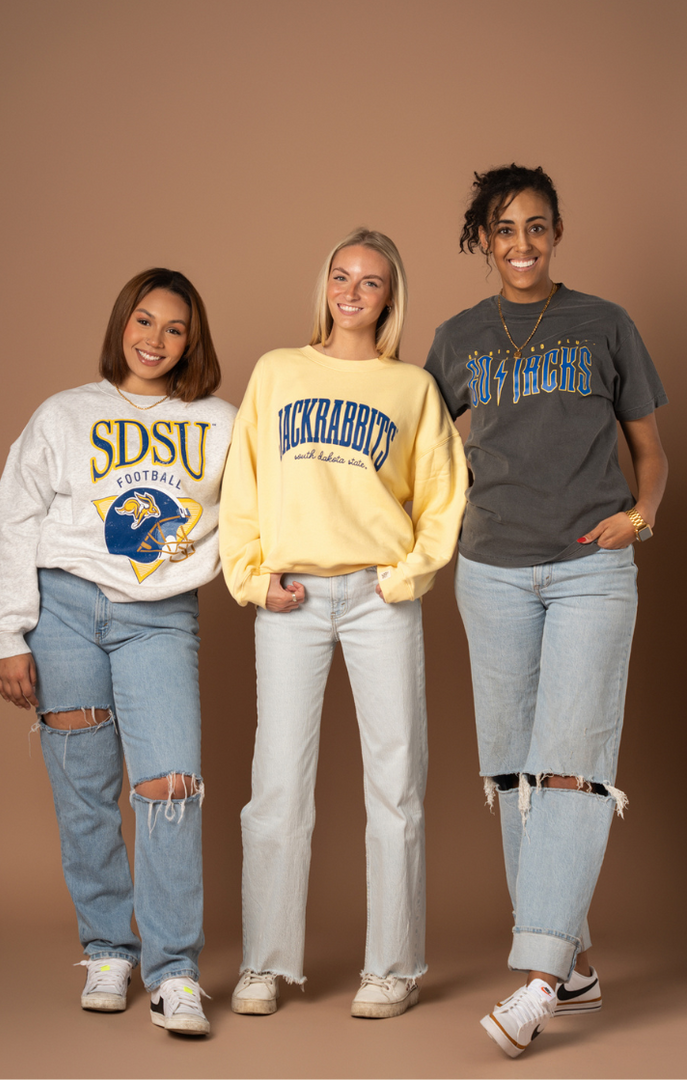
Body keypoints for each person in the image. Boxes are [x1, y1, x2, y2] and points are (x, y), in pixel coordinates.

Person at [425, 165, 668, 1058]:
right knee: (517, 775)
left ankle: (536, 983)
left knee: (571, 764)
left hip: (590, 569)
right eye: (503, 230)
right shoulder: (455, 339)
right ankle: (579, 965)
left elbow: (651, 451)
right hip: (489, 574)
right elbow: (421, 456)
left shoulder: (604, 324)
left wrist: (641, 517)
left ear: (556, 232)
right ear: (481, 241)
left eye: (536, 227)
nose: (520, 244)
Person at [218, 228, 468, 1019]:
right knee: (276, 786)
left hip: (377, 597)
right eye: (341, 275)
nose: (352, 291)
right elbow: (243, 487)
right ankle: (264, 964)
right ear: (324, 283)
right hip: (290, 599)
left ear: (391, 295)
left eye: (370, 281)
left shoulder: (411, 388)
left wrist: (408, 576)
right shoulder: (278, 371)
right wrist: (254, 581)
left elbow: (442, 495)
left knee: (397, 783)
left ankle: (391, 967)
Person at [0, 268, 237, 1036]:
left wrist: (243, 562)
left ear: (193, 340)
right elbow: (13, 517)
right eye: (144, 321)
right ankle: (106, 950)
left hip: (159, 614)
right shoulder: (64, 414)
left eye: (174, 328)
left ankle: (175, 971)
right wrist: (7, 631)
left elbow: (258, 507)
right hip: (61, 608)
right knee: (84, 788)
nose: (155, 340)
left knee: (169, 788)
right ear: (121, 323)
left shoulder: (221, 422)